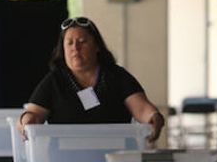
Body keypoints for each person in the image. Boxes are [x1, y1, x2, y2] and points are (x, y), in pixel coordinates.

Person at [18, 17, 165, 144]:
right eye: (69, 43)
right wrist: (26, 121)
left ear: (97, 46)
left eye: (82, 42)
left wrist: (153, 117)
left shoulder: (117, 76)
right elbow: (33, 114)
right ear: (62, 50)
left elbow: (141, 108)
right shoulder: (54, 80)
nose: (75, 48)